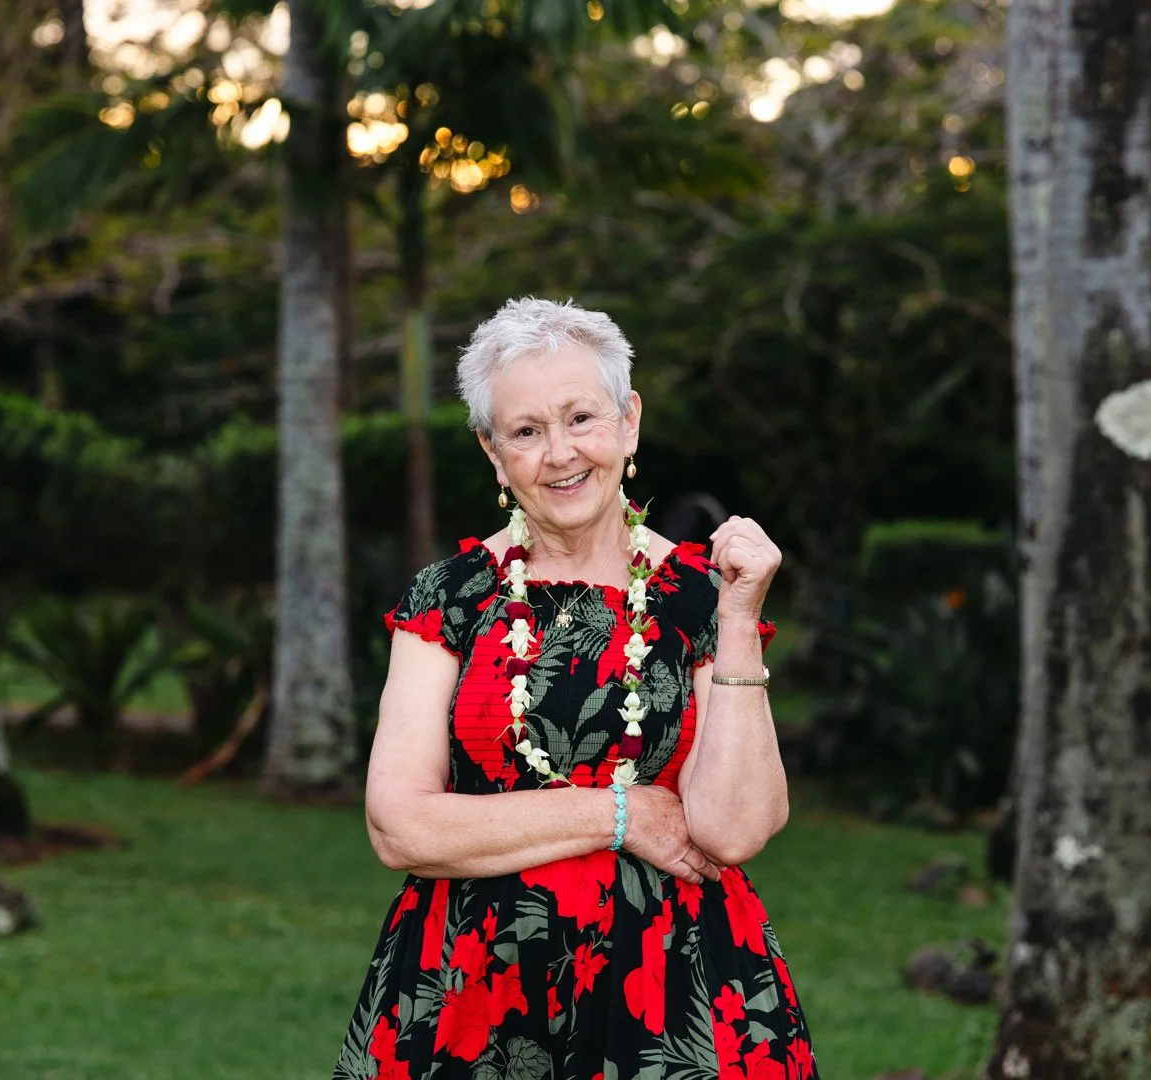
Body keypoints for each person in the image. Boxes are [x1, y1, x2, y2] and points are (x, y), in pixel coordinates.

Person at [334, 297, 816, 1079]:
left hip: (671, 994)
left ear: (627, 422)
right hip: (469, 994)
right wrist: (621, 814)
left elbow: (734, 831)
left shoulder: (701, 596)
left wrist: (737, 618)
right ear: (494, 454)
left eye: (580, 418)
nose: (560, 453)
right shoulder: (451, 597)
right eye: (525, 432)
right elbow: (399, 828)